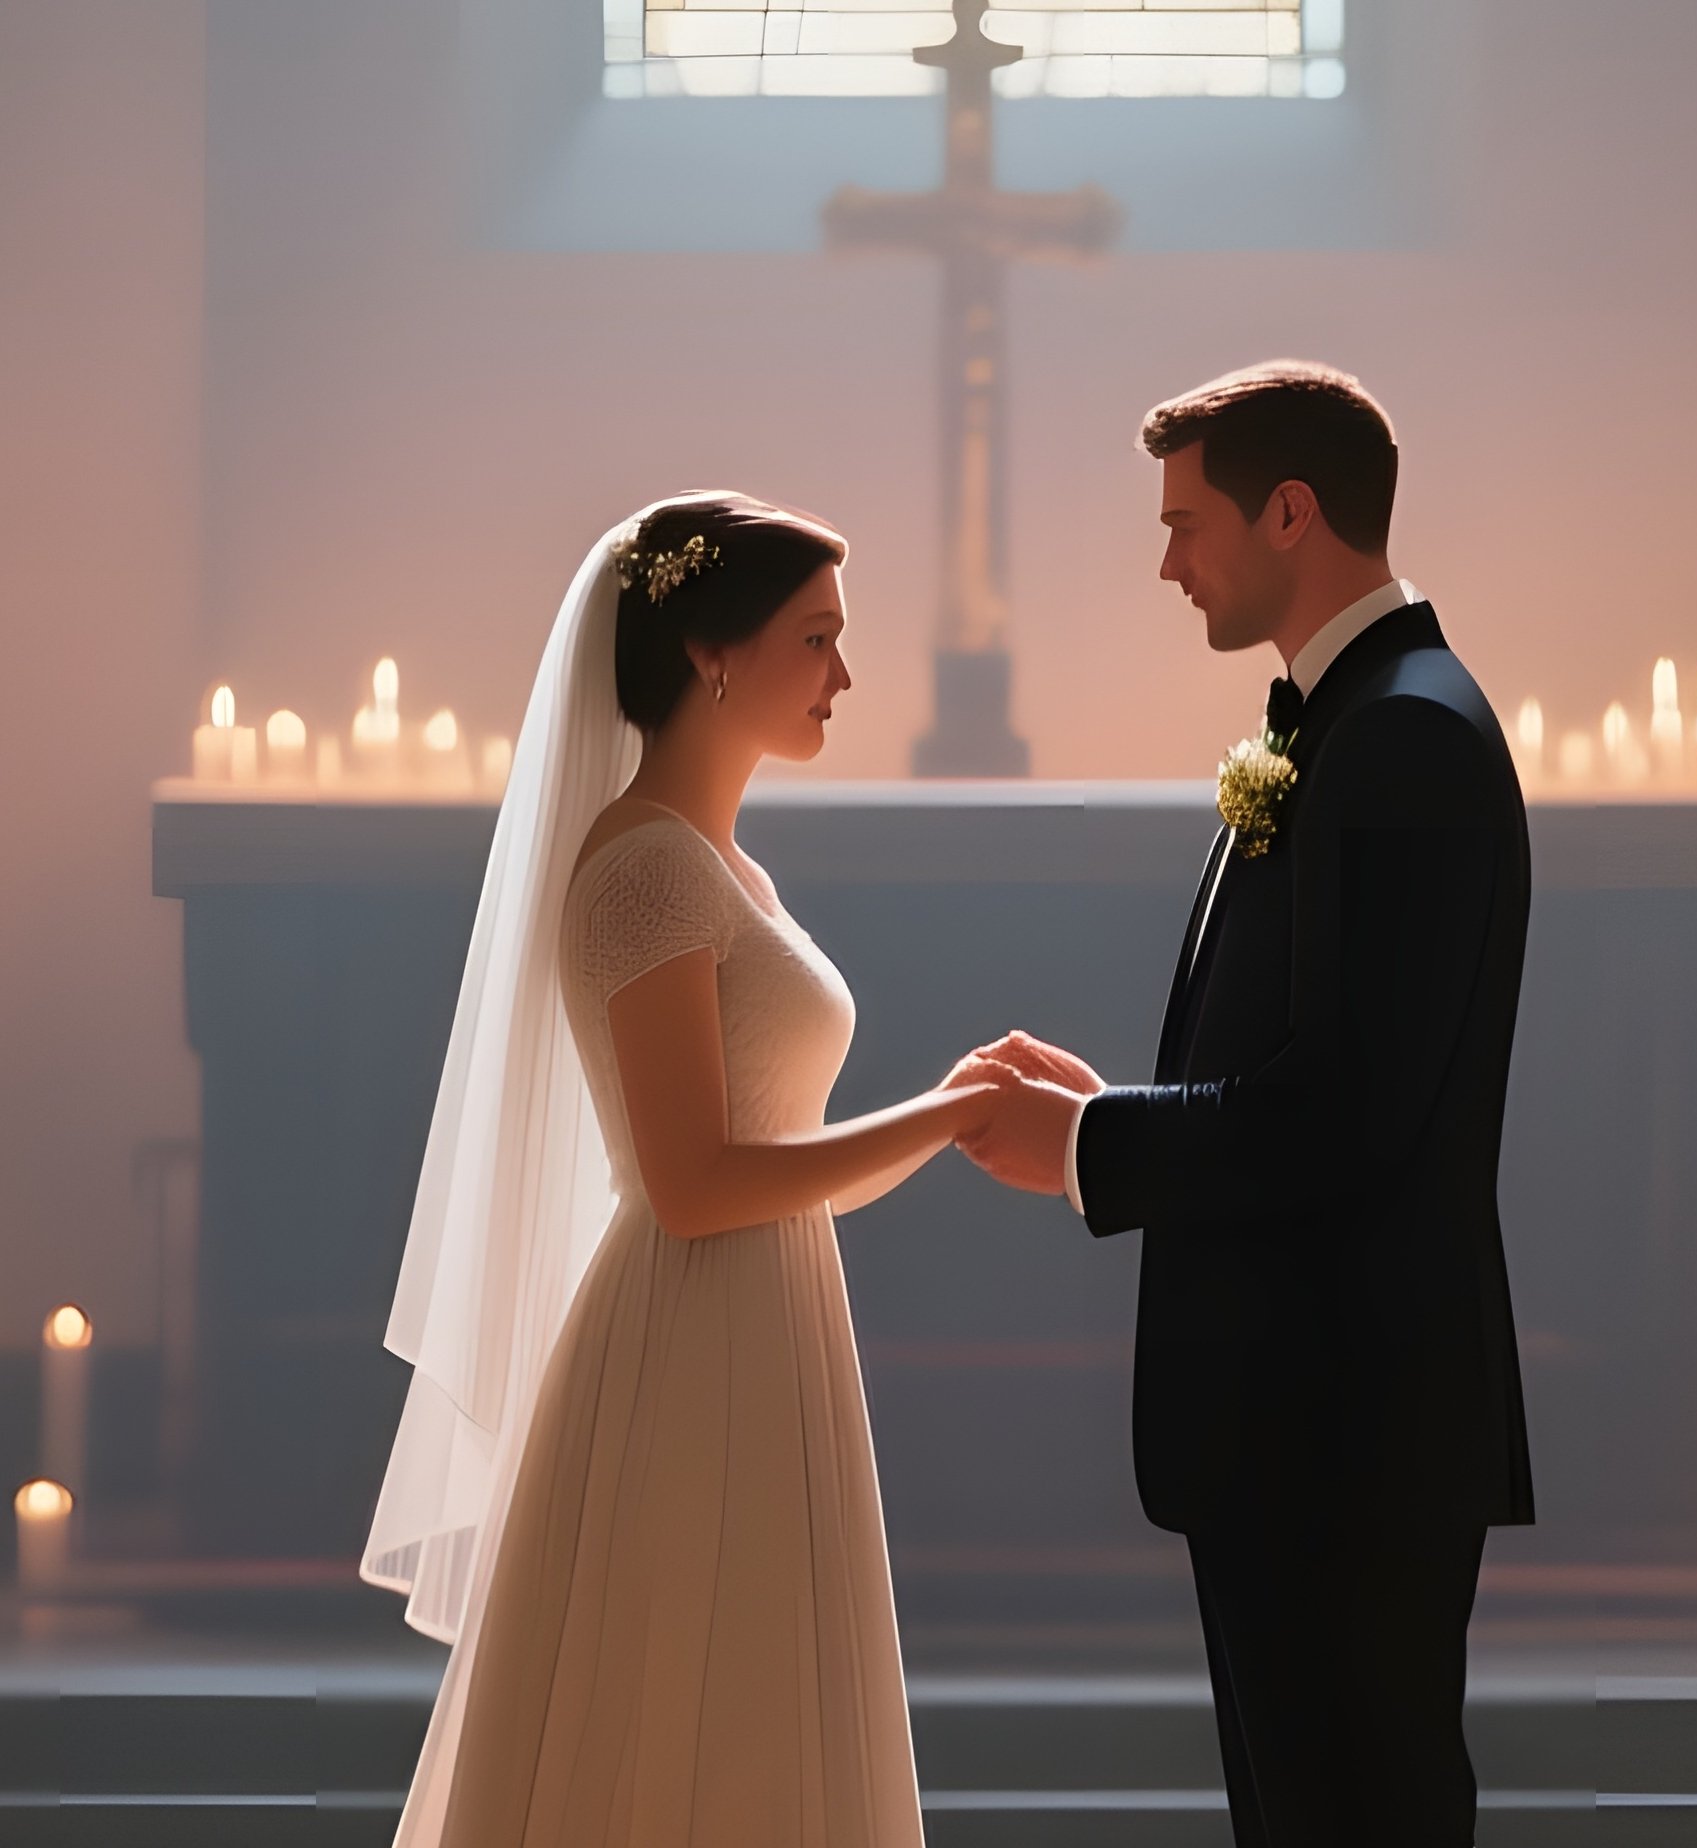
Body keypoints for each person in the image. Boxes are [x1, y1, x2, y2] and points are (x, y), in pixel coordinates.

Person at [361, 491, 1009, 1846]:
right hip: (686, 1341)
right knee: (680, 1725)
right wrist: (941, 1116)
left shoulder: (725, 870)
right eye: (818, 637)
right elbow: (696, 1184)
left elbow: (783, 1169)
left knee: (758, 1721)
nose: (845, 673)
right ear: (716, 653)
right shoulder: (646, 870)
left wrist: (945, 1117)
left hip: (769, 1322)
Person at [956, 361, 1536, 1846]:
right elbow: (1306, 1057)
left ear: (1290, 512)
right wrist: (1121, 1100)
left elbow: (1352, 1111)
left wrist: (1097, 1148)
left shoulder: (1403, 734)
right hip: (1306, 1422)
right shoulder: (1339, 719)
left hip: (1347, 1423)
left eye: (1186, 523)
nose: (1166, 561)